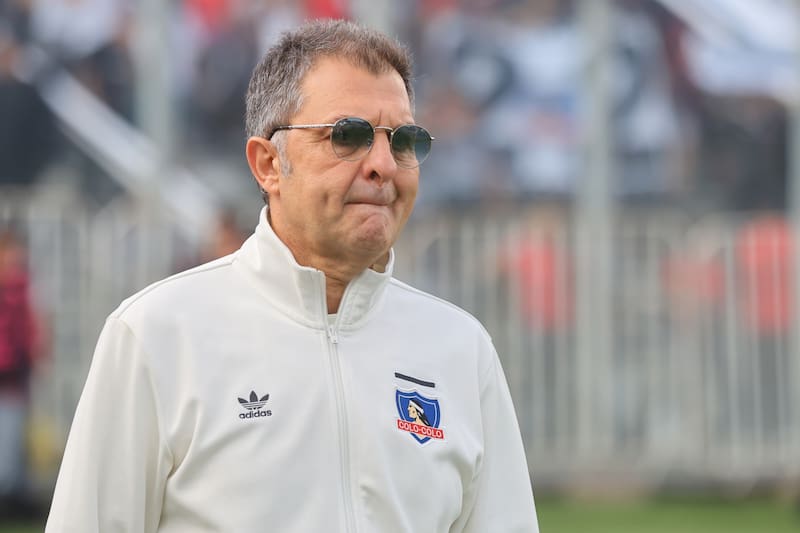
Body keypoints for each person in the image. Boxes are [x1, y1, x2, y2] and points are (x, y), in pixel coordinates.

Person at [45, 19, 539, 532]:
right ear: (267, 165)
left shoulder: (461, 349)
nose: (384, 165)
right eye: (349, 135)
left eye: (404, 140)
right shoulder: (155, 334)